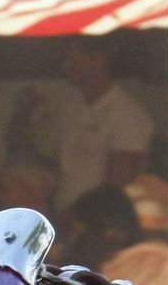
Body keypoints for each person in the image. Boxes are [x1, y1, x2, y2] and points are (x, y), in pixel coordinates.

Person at [55, 39, 154, 210]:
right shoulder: (72, 107)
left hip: (97, 222)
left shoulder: (125, 114)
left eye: (72, 59)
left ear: (97, 60)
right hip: (65, 216)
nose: (65, 66)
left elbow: (117, 186)